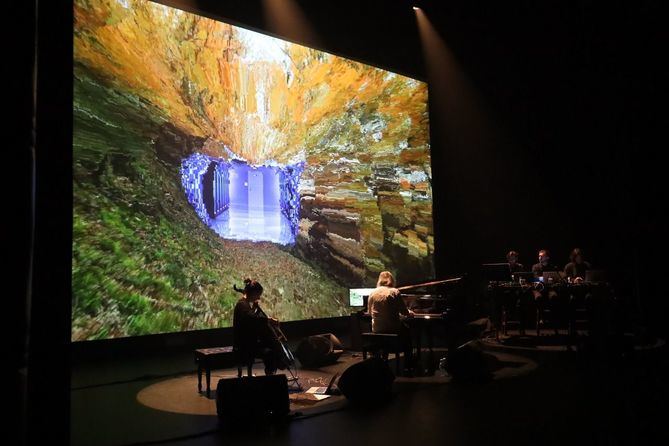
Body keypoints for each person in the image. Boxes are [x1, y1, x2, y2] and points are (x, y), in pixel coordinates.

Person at [367, 271, 414, 372]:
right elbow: (404, 312)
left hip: (377, 329)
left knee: (384, 334)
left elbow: (370, 313)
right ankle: (408, 364)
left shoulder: (373, 292)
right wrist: (410, 312)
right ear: (392, 280)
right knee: (408, 332)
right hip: (393, 329)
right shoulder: (394, 291)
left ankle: (383, 358)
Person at [232, 278, 281, 376]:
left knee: (269, 348)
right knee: (269, 352)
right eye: (258, 295)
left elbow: (251, 319)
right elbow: (253, 320)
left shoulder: (245, 304)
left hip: (248, 342)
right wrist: (269, 320)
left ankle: (270, 373)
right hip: (244, 345)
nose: (258, 298)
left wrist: (255, 308)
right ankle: (270, 376)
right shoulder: (242, 305)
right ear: (253, 293)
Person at [530, 249, 566, 330]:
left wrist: (554, 278)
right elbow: (535, 278)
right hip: (538, 289)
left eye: (542, 256)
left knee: (554, 297)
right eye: (539, 256)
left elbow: (560, 276)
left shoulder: (553, 267)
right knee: (538, 297)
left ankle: (553, 318)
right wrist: (546, 279)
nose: (539, 258)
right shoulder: (535, 266)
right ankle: (541, 318)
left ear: (547, 257)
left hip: (550, 289)